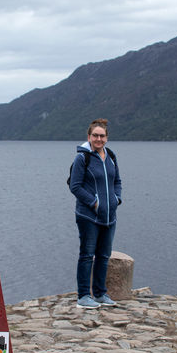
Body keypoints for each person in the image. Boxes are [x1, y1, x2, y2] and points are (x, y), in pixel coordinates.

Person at [68, 118, 122, 310]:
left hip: (109, 216)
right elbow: (75, 186)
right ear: (89, 136)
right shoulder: (82, 158)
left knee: (103, 255)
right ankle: (83, 296)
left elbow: (117, 181)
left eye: (102, 136)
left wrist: (117, 199)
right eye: (95, 135)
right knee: (87, 255)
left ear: (107, 137)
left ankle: (99, 294)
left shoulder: (111, 156)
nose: (99, 139)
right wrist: (95, 203)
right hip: (88, 216)